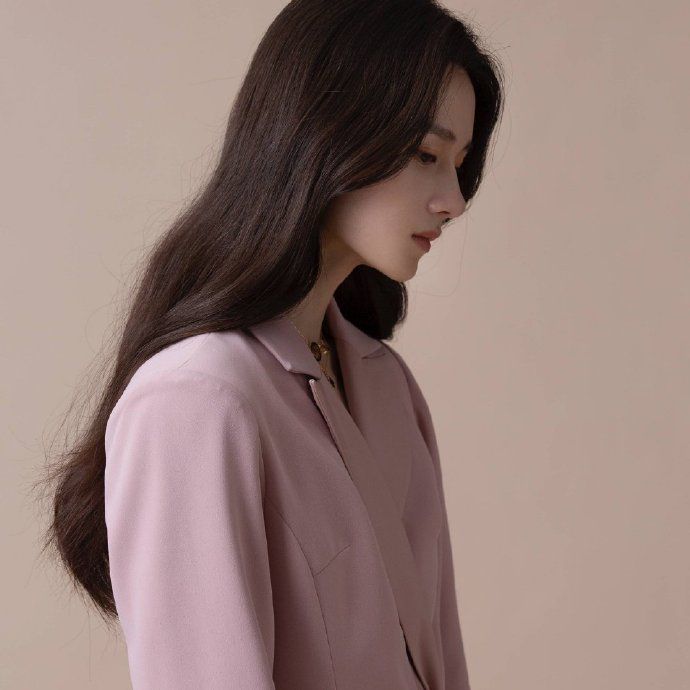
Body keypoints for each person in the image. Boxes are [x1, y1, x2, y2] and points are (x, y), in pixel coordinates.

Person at [38, 0, 505, 687]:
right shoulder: (196, 402)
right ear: (329, 133)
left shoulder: (387, 386)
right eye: (426, 155)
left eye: (459, 164)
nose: (454, 200)